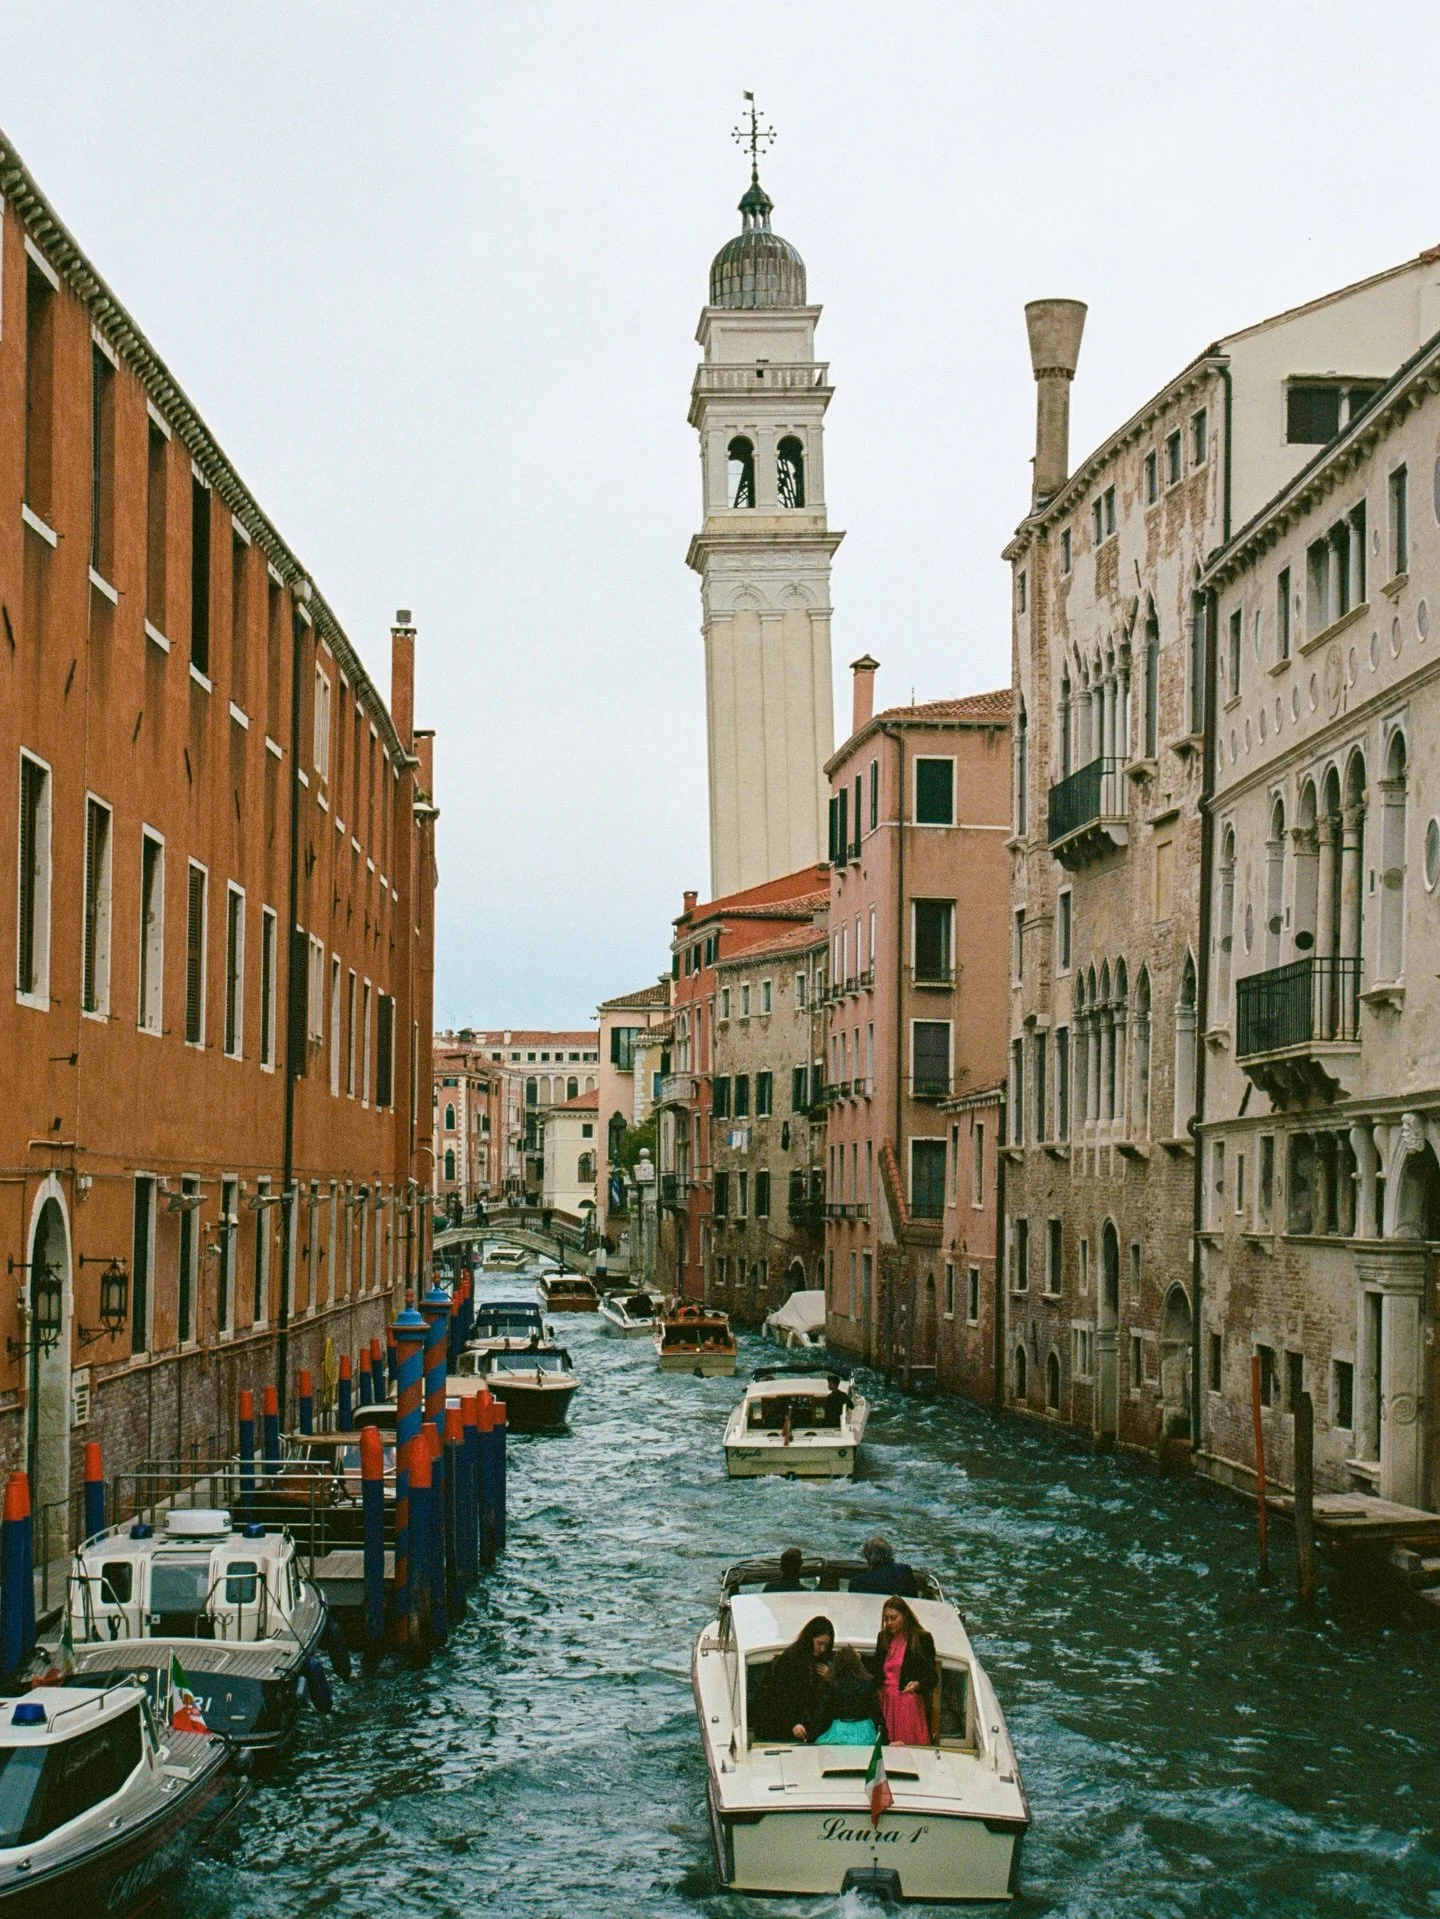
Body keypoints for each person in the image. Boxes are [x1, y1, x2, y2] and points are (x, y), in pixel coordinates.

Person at [753, 1616, 833, 1742]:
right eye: (819, 1643)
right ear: (810, 1638)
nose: (822, 1649)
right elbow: (782, 1693)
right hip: (783, 1724)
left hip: (805, 1723)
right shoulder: (793, 1658)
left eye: (826, 1645)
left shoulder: (822, 1660)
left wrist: (830, 1676)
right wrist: (793, 1722)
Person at [873, 1596, 937, 1747]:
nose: (888, 1623)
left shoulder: (922, 1638)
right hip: (885, 1701)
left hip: (907, 1703)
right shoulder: (882, 1637)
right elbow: (876, 1671)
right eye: (886, 1618)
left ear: (905, 1615)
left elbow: (932, 1677)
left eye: (893, 1618)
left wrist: (918, 1684)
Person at [809, 1644, 881, 1747]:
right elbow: (876, 1712)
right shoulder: (868, 1683)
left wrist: (812, 1735)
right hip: (864, 1730)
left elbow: (821, 1711)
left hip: (838, 1729)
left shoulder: (830, 1684)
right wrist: (885, 1738)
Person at [849, 1535, 920, 1597]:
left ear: (867, 1557)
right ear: (889, 1552)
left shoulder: (857, 1583)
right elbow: (914, 1599)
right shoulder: (905, 1570)